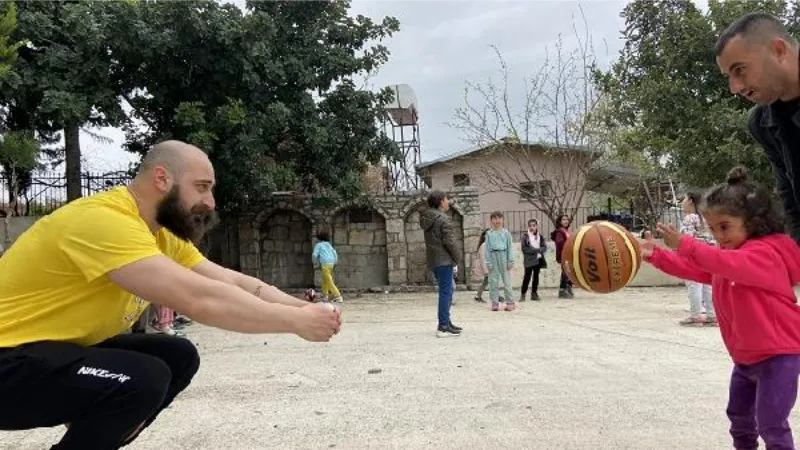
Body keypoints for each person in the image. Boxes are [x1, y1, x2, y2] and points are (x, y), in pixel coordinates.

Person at [0, 140, 342, 450]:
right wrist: (295, 322)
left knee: (175, 355)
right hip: (8, 360)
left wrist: (306, 308)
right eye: (202, 188)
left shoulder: (157, 233)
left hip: (45, 353)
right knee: (144, 378)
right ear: (162, 179)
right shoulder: (103, 221)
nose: (210, 202)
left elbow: (227, 281)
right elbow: (199, 299)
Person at [641, 166, 800, 450]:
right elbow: (698, 269)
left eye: (724, 226)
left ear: (753, 221)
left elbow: (720, 263)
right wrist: (657, 255)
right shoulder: (729, 256)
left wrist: (686, 244)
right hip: (746, 359)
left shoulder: (765, 255)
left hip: (779, 357)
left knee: (771, 424)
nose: (718, 236)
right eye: (712, 229)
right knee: (738, 417)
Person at [715, 12, 800, 242]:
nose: (734, 88)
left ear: (779, 51)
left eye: (740, 69)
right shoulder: (762, 124)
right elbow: (791, 199)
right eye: (728, 76)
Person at [419, 190, 462, 337]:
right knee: (445, 292)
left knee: (447, 291)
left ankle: (446, 322)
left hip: (434, 260)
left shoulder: (427, 218)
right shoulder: (443, 219)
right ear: (440, 202)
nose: (448, 201)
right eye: (446, 199)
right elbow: (449, 242)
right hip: (444, 260)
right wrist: (457, 258)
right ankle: (443, 326)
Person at [678, 191, 717, 327]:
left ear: (690, 201)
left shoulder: (690, 218)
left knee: (694, 285)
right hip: (709, 255)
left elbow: (687, 239)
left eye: (684, 198)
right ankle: (712, 315)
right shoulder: (706, 218)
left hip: (694, 256)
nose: (682, 202)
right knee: (707, 286)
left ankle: (695, 315)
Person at [484, 211, 516, 312]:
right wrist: (488, 262)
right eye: (495, 218)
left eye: (499, 218)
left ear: (503, 220)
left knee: (507, 281)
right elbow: (487, 249)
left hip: (504, 256)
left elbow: (510, 247)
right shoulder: (489, 234)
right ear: (491, 220)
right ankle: (495, 303)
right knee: (493, 281)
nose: (497, 220)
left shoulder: (506, 233)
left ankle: (510, 302)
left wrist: (510, 260)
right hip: (493, 256)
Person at [312, 229, 343, 303]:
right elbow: (335, 253)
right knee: (325, 280)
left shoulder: (318, 245)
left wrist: (315, 263)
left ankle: (338, 296)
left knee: (329, 281)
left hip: (325, 264)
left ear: (318, 238)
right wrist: (335, 262)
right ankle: (325, 296)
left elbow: (314, 255)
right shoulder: (329, 245)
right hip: (331, 263)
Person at [520, 219, 547, 301]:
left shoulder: (540, 237)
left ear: (536, 226)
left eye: (534, 225)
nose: (532, 227)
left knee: (536, 277)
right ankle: (523, 294)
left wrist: (539, 250)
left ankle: (534, 294)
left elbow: (544, 247)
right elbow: (524, 249)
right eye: (530, 225)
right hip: (528, 260)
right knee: (527, 277)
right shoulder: (525, 237)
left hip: (537, 260)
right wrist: (537, 250)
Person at [551, 215, 574, 298]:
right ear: (560, 221)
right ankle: (562, 290)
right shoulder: (560, 232)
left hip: (568, 254)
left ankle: (568, 287)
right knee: (566, 271)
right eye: (563, 219)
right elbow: (560, 243)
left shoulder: (566, 231)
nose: (566, 221)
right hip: (563, 254)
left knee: (569, 271)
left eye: (567, 219)